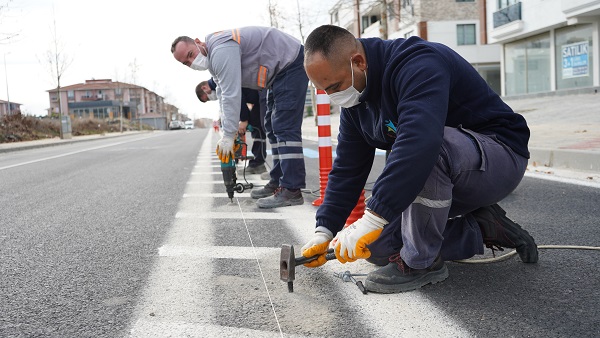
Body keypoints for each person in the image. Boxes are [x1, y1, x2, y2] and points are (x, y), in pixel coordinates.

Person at [300, 25, 538, 294]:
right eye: (325, 92)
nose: (334, 97)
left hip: (499, 155)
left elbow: (419, 141)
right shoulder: (356, 100)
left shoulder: (416, 62)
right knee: (375, 248)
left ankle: (422, 263)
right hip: (444, 171)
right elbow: (347, 169)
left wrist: (375, 215)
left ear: (358, 61)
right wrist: (325, 229)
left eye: (335, 87)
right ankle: (481, 229)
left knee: (428, 147)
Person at [172, 26, 308, 208]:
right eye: (186, 63)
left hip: (289, 63)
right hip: (277, 74)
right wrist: (226, 133)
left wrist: (229, 135)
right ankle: (278, 180)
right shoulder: (214, 59)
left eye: (190, 54)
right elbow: (221, 94)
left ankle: (292, 190)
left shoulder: (220, 50)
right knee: (271, 125)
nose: (192, 61)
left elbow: (231, 95)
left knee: (284, 126)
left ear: (197, 42)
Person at [195, 78, 268, 174]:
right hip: (256, 98)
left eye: (208, 98)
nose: (211, 99)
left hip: (262, 92)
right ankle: (258, 164)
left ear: (204, 88)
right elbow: (229, 107)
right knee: (257, 128)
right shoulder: (219, 87)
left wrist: (244, 120)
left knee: (268, 128)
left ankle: (278, 172)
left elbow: (237, 96)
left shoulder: (220, 80)